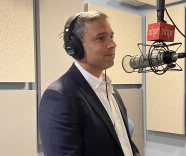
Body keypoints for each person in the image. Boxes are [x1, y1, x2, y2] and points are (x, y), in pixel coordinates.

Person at [38, 10, 141, 156]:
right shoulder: (59, 97)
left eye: (111, 36)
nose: (112, 44)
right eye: (101, 38)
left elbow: (126, 145)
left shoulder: (111, 91)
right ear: (75, 47)